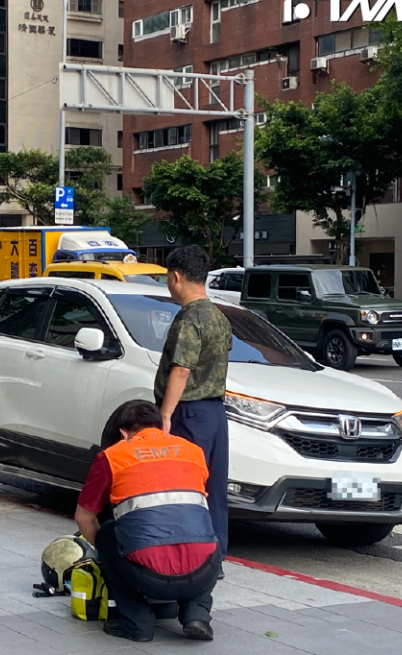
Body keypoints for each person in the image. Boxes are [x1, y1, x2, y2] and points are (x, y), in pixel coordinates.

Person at [75, 401, 220, 643]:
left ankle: (136, 622)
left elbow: (84, 517)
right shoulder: (193, 451)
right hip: (203, 572)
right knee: (203, 532)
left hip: (148, 577)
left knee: (107, 534)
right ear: (161, 426)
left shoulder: (113, 456)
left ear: (123, 433)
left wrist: (106, 559)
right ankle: (197, 614)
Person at [155, 246, 232, 567]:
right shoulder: (219, 316)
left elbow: (182, 369)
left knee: (185, 485)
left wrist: (165, 414)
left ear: (176, 278)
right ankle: (214, 557)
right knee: (213, 487)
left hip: (188, 412)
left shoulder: (190, 318)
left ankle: (191, 556)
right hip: (216, 413)